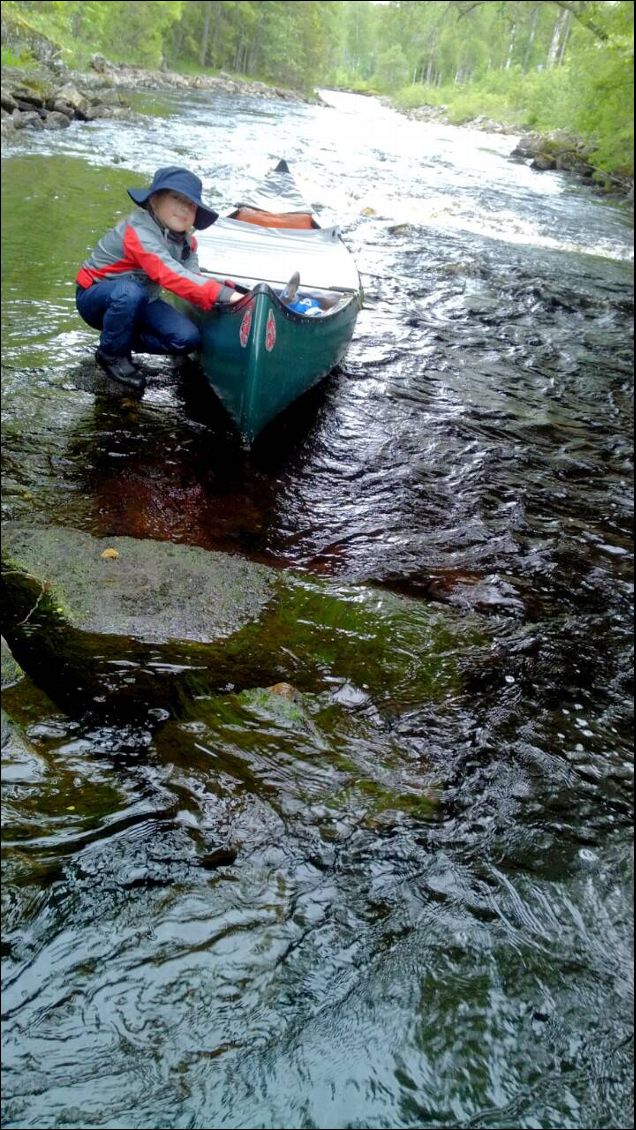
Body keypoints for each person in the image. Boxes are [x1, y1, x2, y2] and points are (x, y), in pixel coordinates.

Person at [75, 166, 242, 391]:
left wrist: (228, 292)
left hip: (144, 300)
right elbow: (169, 273)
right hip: (96, 297)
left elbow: (192, 279)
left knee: (187, 339)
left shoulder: (187, 244)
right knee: (129, 292)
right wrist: (224, 295)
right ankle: (111, 354)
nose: (184, 208)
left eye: (191, 204)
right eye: (176, 198)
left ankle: (120, 339)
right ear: (154, 200)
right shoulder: (138, 230)